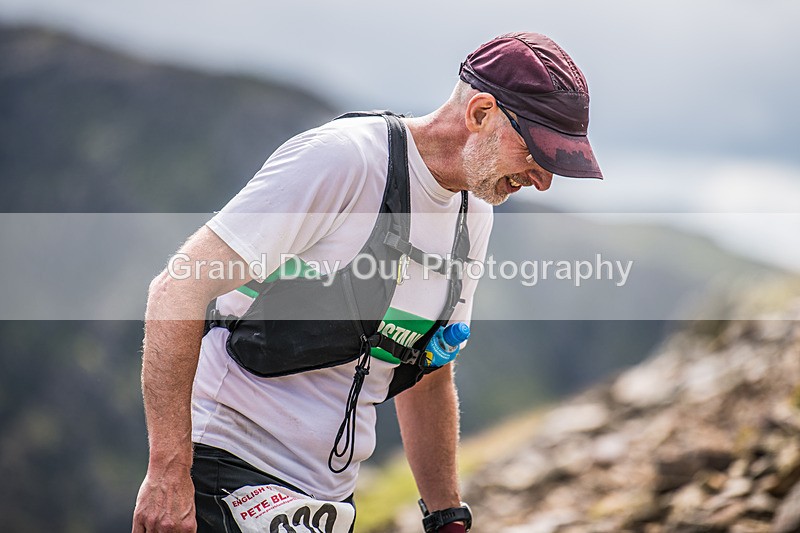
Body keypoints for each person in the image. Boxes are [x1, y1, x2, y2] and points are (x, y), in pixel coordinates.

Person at [132, 31, 602, 533]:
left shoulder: (474, 213)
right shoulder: (346, 160)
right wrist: (168, 472)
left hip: (327, 502)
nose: (543, 178)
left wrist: (447, 517)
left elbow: (428, 372)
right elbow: (177, 289)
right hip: (222, 472)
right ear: (481, 113)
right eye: (537, 152)